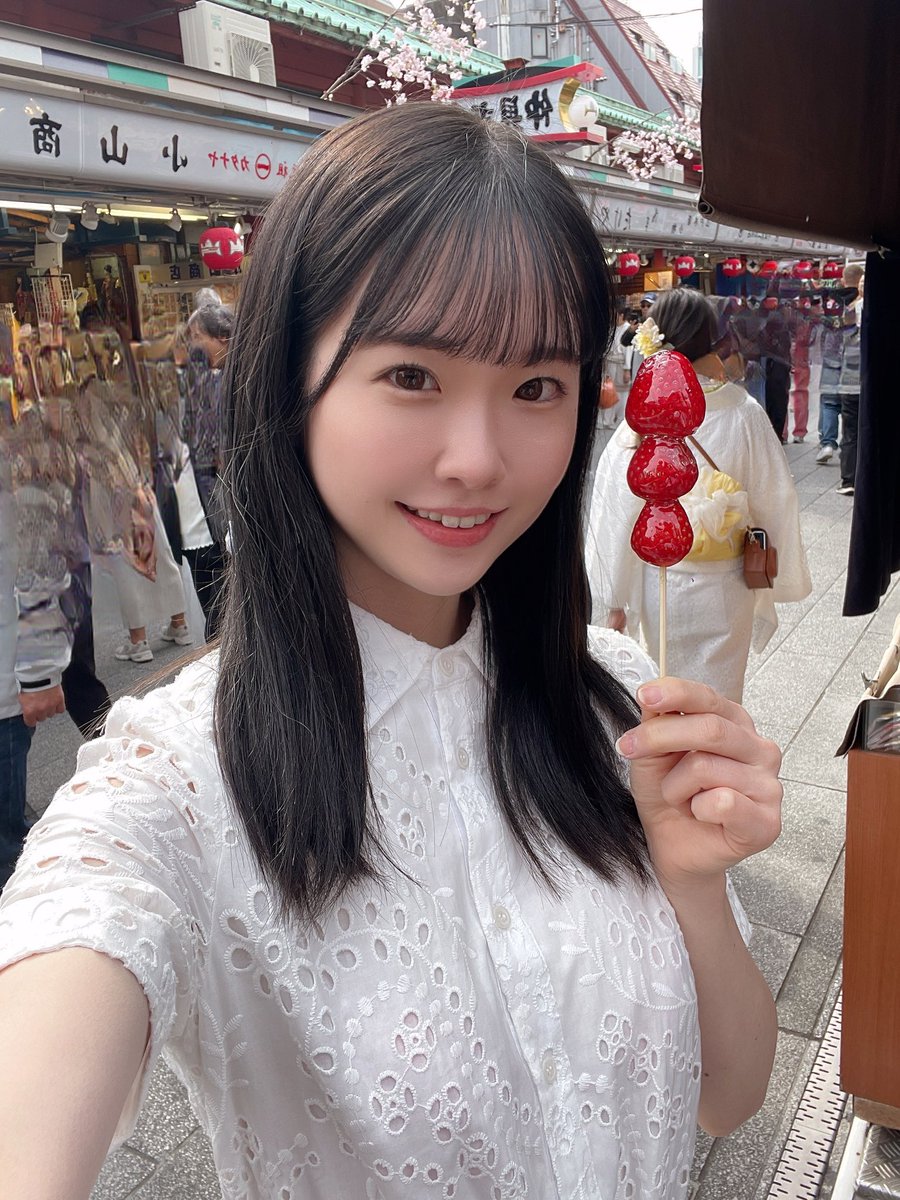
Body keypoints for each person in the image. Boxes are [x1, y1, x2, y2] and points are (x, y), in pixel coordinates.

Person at [0, 105, 782, 1199]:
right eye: (414, 375)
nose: (479, 459)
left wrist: (694, 883)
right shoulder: (174, 782)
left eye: (537, 387)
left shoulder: (615, 701)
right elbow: (63, 985)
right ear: (290, 377)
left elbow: (730, 1098)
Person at [587, 288, 812, 703]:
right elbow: (774, 496)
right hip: (725, 585)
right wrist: (773, 569)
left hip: (662, 582)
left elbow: (618, 506)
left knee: (662, 686)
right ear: (711, 337)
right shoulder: (742, 410)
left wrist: (615, 594)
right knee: (719, 697)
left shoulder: (645, 419)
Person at [816, 263, 864, 480]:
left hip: (831, 357)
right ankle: (849, 448)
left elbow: (821, 325)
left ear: (843, 279)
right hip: (854, 363)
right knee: (850, 410)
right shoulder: (861, 301)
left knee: (828, 402)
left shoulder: (830, 299)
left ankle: (827, 443)